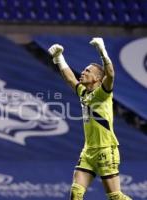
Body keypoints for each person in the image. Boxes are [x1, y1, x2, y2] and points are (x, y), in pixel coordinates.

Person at [48, 38, 132, 200]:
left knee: (115, 196)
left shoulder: (103, 93)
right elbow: (70, 79)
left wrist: (102, 51)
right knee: (76, 193)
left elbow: (111, 74)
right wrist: (59, 59)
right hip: (88, 151)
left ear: (97, 79)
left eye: (87, 71)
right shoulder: (84, 93)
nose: (83, 73)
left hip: (106, 149)